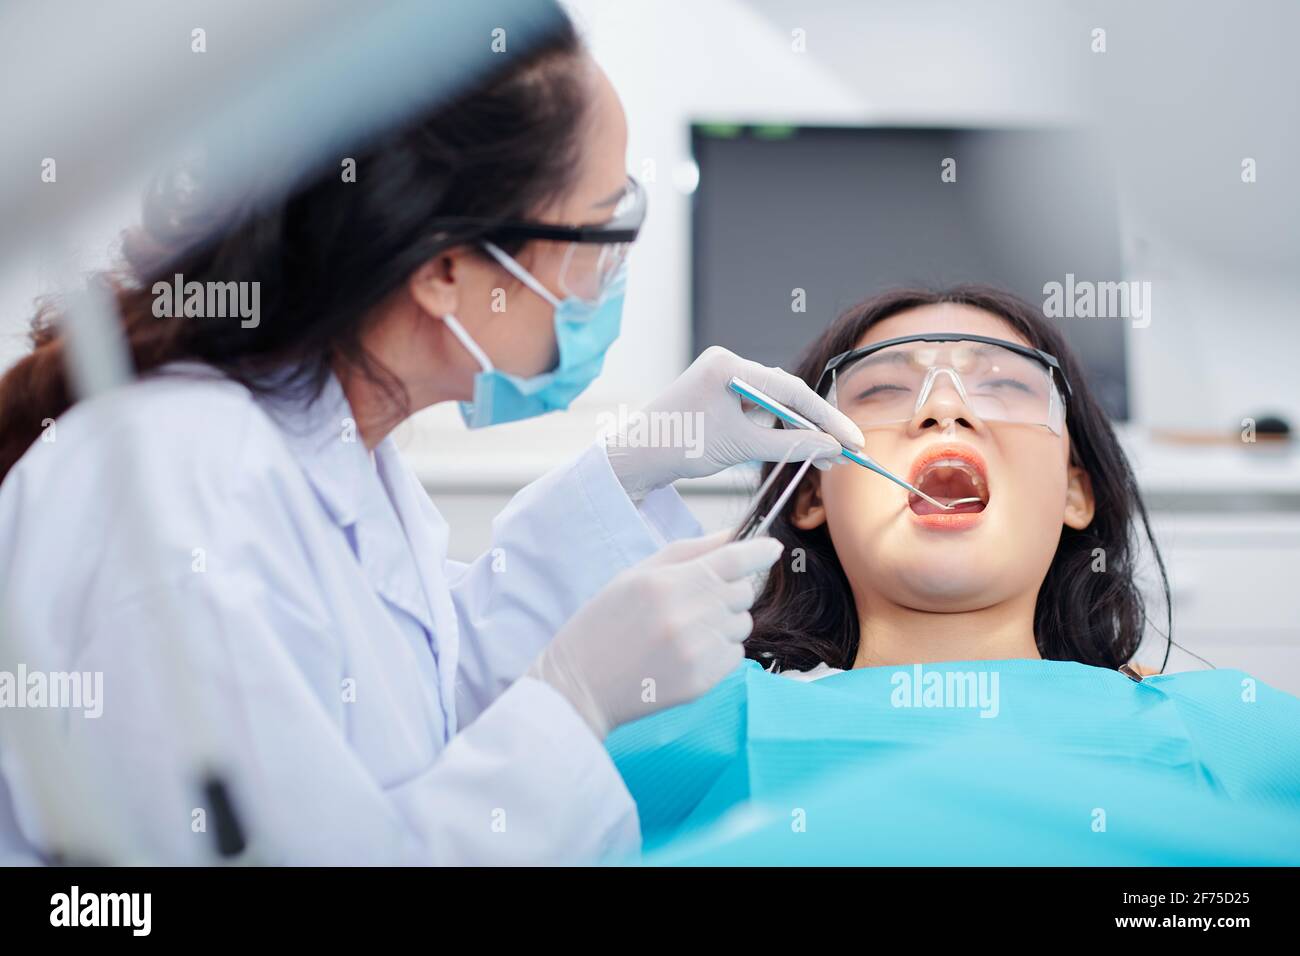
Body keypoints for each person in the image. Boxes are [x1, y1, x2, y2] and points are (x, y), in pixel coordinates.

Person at [0, 14, 860, 864]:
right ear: (449, 274)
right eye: (600, 239)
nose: (610, 283)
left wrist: (631, 469)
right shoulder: (184, 494)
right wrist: (572, 704)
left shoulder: (335, 452)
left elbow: (420, 689)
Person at [603, 285, 1300, 865]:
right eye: (880, 389)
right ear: (812, 494)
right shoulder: (690, 723)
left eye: (1002, 385)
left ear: (1074, 493)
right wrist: (612, 477)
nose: (945, 408)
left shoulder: (1232, 729)